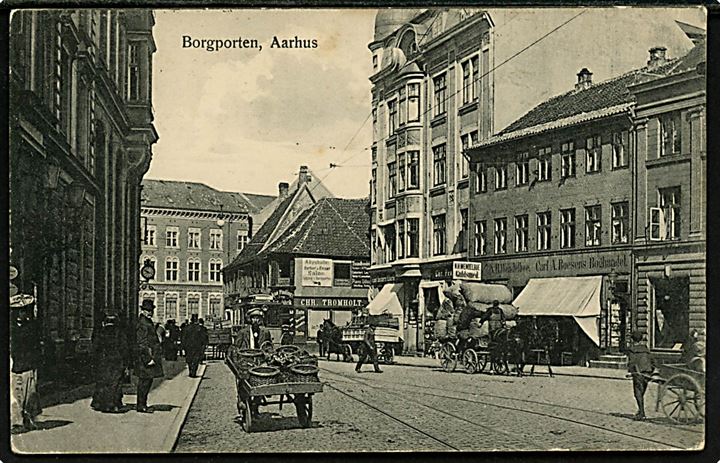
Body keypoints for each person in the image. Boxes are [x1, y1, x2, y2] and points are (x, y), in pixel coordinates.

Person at [10, 294, 42, 432]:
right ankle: (18, 422)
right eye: (20, 311)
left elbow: (36, 345)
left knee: (30, 393)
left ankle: (28, 418)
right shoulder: (11, 326)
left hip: (29, 363)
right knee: (16, 394)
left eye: (24, 311)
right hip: (15, 363)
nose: (22, 314)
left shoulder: (32, 326)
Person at [91, 314, 128, 413]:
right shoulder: (120, 333)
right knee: (115, 383)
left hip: (103, 361)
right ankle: (113, 404)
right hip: (116, 361)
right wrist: (126, 363)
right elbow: (124, 349)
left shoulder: (101, 333)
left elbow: (95, 348)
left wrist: (95, 360)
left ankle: (101, 403)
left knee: (103, 382)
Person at [134, 300, 164, 413]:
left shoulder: (147, 321)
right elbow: (142, 343)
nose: (150, 312)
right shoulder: (142, 323)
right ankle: (141, 405)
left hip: (149, 355)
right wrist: (148, 359)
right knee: (144, 382)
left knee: (147, 381)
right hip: (146, 357)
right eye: (147, 310)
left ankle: (142, 404)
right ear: (143, 310)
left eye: (151, 310)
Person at [626, 331, 655, 420]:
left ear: (632, 339)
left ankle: (642, 413)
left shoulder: (632, 350)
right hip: (647, 373)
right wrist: (652, 370)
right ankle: (640, 410)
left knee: (637, 393)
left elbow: (632, 362)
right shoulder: (645, 348)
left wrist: (631, 371)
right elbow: (652, 360)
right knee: (642, 392)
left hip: (638, 373)